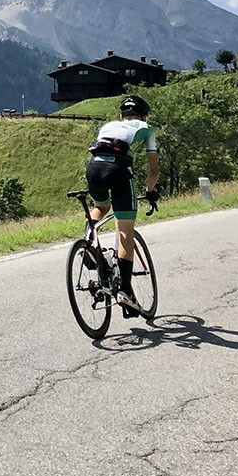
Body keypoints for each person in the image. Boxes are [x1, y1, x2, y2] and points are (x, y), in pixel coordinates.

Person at [85, 94, 159, 317]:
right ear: (144, 115)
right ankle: (125, 290)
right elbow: (153, 169)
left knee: (101, 205)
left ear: (121, 116)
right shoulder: (147, 128)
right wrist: (150, 191)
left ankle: (89, 244)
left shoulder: (107, 125)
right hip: (119, 171)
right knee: (124, 231)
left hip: (93, 169)